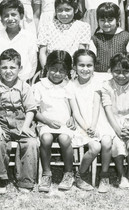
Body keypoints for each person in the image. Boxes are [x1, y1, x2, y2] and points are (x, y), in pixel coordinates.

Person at [0, 49, 39, 194]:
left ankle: (25, 180)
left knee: (31, 143)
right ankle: (0, 179)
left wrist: (26, 126)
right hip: (1, 122)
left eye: (12, 67)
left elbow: (31, 109)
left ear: (19, 69)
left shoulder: (24, 86)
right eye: (4, 67)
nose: (8, 71)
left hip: (21, 122)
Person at [100, 53, 129, 192]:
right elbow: (107, 109)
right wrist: (118, 130)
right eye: (117, 71)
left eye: (126, 72)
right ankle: (121, 175)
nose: (121, 75)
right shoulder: (106, 86)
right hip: (112, 120)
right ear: (110, 70)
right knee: (117, 144)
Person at [33, 50, 75, 192]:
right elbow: (34, 110)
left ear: (68, 71)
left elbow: (74, 107)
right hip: (45, 122)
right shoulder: (39, 86)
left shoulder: (69, 86)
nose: (57, 74)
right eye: (53, 69)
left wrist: (72, 118)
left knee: (64, 139)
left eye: (62, 71)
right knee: (46, 138)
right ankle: (46, 173)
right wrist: (47, 121)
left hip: (64, 125)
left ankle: (69, 173)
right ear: (47, 68)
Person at [67, 49, 107, 191]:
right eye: (81, 65)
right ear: (75, 67)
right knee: (95, 147)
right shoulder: (71, 86)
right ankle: (80, 175)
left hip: (98, 121)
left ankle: (102, 176)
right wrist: (86, 128)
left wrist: (93, 126)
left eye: (89, 65)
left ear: (94, 67)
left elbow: (96, 106)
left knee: (106, 143)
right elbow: (76, 111)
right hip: (81, 124)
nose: (85, 69)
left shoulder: (97, 83)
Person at [38, 0, 91, 68]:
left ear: (75, 10)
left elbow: (80, 53)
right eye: (60, 10)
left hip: (73, 70)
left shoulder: (83, 27)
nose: (63, 14)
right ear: (55, 11)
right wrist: (47, 70)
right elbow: (42, 53)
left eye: (67, 10)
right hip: (51, 70)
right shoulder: (46, 26)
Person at [0, 0, 38, 82]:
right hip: (1, 81)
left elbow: (32, 63)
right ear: (1, 18)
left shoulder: (29, 37)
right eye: (6, 15)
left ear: (21, 16)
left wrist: (21, 81)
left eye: (13, 14)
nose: (10, 18)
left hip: (23, 81)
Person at [90, 2, 129, 77]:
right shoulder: (95, 38)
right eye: (102, 20)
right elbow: (90, 59)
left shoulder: (125, 37)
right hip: (99, 76)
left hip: (120, 76)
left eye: (110, 20)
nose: (106, 24)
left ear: (118, 19)